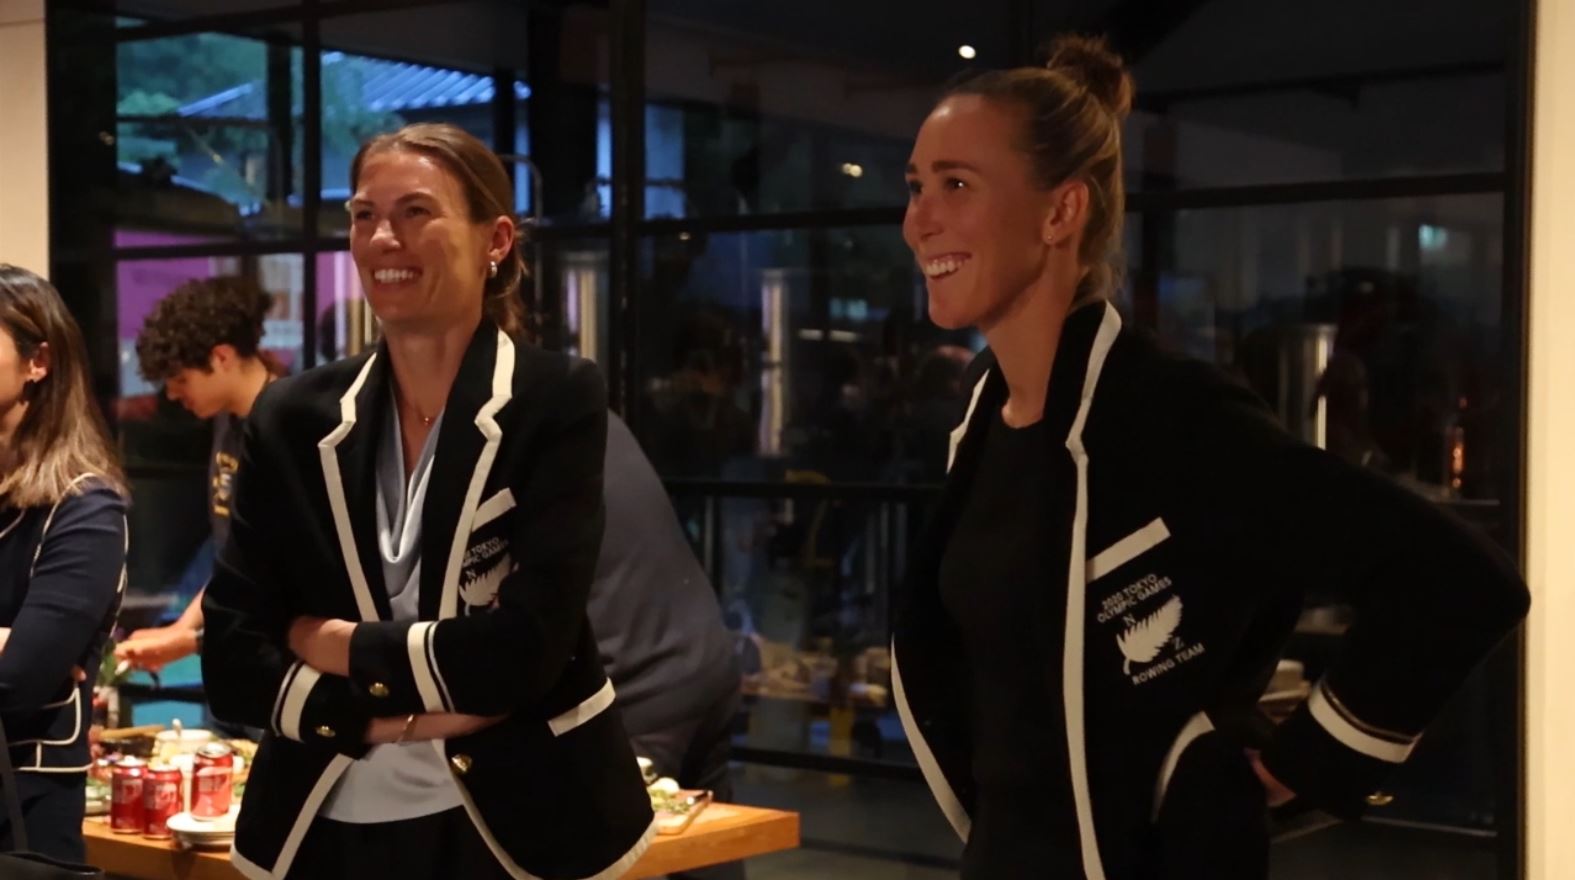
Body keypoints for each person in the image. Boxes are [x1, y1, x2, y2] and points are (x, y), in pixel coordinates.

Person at [891, 36, 1529, 880]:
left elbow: (1456, 581)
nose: (917, 220)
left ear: (1059, 213)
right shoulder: (984, 416)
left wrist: (1301, 767)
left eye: (956, 186)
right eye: (915, 187)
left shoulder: (1167, 413)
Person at [200, 123, 652, 880]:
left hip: (518, 827)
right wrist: (395, 712)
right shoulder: (290, 415)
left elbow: (528, 652)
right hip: (319, 824)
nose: (383, 238)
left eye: (415, 212)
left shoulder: (555, 399)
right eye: (362, 215)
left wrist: (334, 642)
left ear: (495, 240)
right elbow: (231, 658)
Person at [0, 265, 128, 863]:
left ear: (38, 361)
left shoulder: (86, 508)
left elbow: (17, 682)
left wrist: (14, 647)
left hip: (23, 809)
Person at [593, 412, 741, 880]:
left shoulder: (520, 430)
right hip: (701, 658)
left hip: (640, 681)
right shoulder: (591, 411)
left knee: (602, 857)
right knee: (705, 854)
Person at [115, 276, 281, 673]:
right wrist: (181, 628)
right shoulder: (226, 421)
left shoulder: (288, 424)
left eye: (181, 380)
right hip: (234, 656)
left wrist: (190, 641)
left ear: (221, 357)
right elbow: (233, 561)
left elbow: (286, 575)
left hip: (275, 663)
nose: (172, 395)